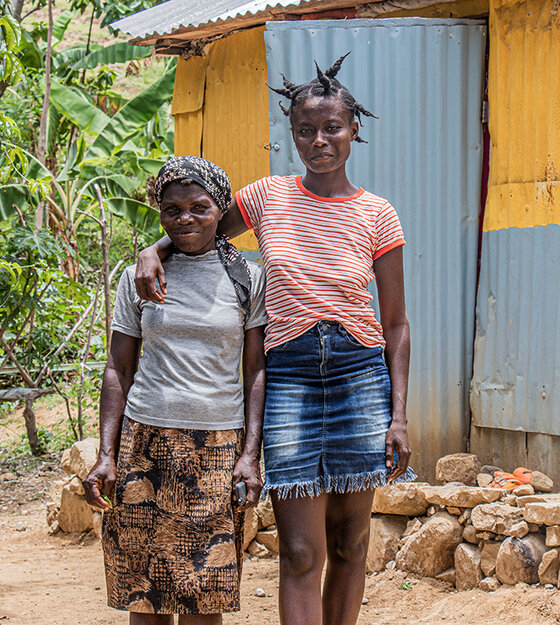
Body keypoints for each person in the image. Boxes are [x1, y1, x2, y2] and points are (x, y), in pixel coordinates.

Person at [134, 53, 414, 625]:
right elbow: (200, 226)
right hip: (288, 378)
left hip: (361, 376)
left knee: (350, 543)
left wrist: (399, 414)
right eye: (306, 130)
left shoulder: (378, 214)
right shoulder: (267, 197)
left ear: (353, 131)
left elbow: (397, 324)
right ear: (292, 135)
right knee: (301, 550)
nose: (320, 140)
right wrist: (153, 248)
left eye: (332, 128)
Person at [83, 156, 267, 625]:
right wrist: (107, 454)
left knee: (202, 594)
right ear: (160, 214)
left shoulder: (248, 278)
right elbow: (118, 369)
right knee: (144, 594)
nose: (185, 218)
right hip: (144, 444)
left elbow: (255, 372)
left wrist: (250, 454)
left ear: (220, 209)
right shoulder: (137, 277)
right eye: (172, 209)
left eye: (199, 208)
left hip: (216, 447)